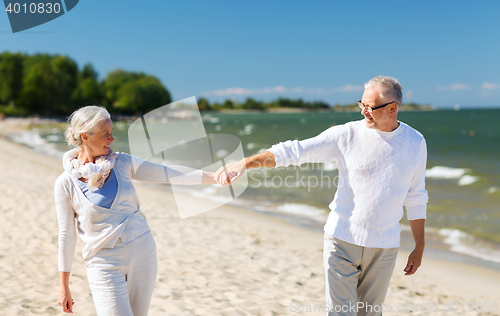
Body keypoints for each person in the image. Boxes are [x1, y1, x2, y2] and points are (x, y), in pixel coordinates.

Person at [216, 76, 428, 316]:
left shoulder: (415, 142)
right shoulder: (346, 134)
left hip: (384, 247)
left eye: (370, 107)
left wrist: (419, 246)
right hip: (341, 240)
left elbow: (416, 196)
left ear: (393, 108)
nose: (364, 112)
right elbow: (294, 151)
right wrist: (246, 163)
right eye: (362, 105)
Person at [55, 105, 219, 315]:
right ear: (85, 136)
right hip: (103, 263)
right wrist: (64, 286)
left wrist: (214, 177)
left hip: (143, 251)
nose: (112, 139)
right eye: (106, 133)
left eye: (111, 132)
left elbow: (168, 173)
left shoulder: (122, 162)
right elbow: (66, 236)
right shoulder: (66, 183)